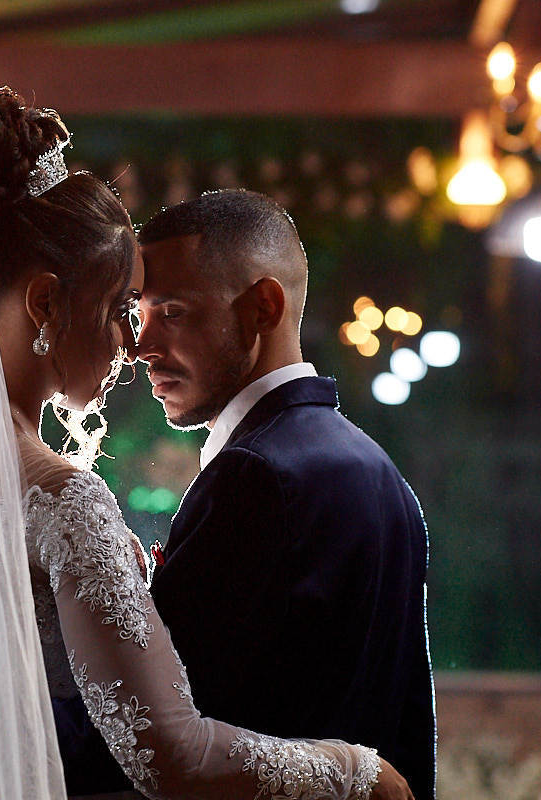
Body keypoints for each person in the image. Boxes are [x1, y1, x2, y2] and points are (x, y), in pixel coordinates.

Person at [0, 78, 413, 800]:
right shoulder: (61, 499)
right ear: (46, 303)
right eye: (118, 310)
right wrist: (357, 772)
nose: (130, 347)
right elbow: (172, 755)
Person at [132, 190, 437, 800]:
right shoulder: (379, 470)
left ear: (263, 308)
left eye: (172, 312)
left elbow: (170, 732)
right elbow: (406, 727)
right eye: (139, 316)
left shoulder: (253, 476)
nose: (142, 348)